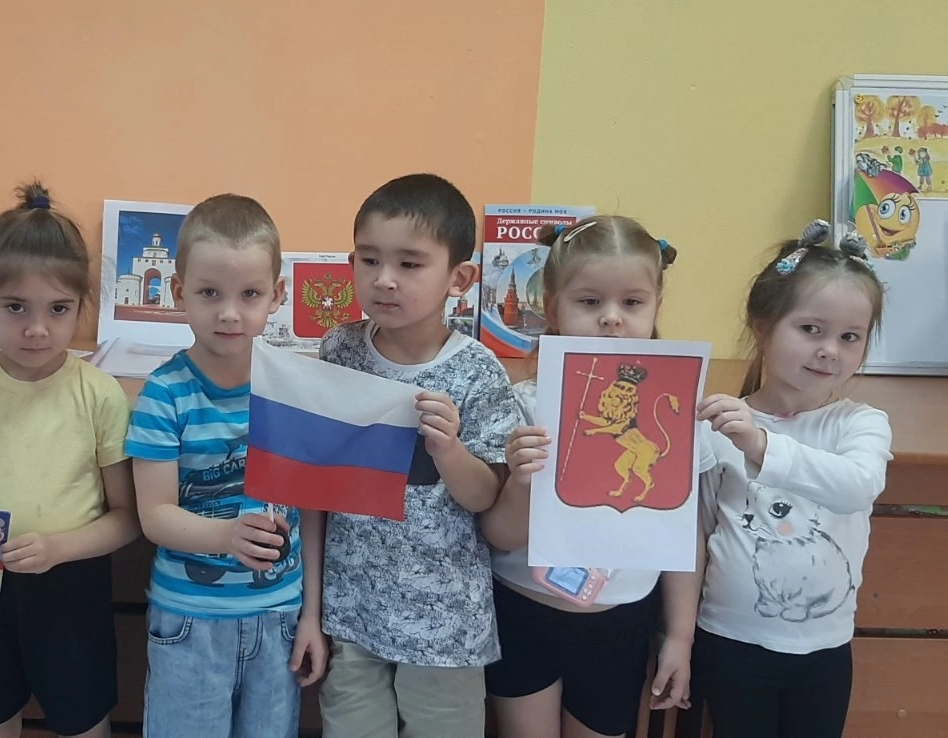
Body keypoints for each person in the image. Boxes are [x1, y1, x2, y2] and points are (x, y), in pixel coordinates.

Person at [0, 182, 139, 738]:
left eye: (58, 309)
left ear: (81, 305)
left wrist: (59, 548)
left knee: (83, 723)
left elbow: (128, 518)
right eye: (16, 307)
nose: (37, 329)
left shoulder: (100, 394)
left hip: (73, 590)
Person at [314, 173, 521, 737]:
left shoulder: (477, 371)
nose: (384, 279)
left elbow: (485, 497)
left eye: (409, 264)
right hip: (352, 607)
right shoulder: (338, 350)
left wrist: (448, 450)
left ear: (459, 278)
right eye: (369, 260)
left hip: (446, 621)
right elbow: (319, 479)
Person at [482, 216, 704, 738]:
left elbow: (683, 534)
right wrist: (522, 481)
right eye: (589, 301)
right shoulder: (522, 406)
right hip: (522, 609)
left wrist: (680, 636)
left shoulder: (682, 414)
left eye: (632, 302)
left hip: (618, 621)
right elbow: (499, 535)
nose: (611, 318)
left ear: (656, 305)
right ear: (552, 305)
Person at [127, 194, 328, 737]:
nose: (230, 313)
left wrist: (311, 614)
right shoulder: (164, 394)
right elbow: (155, 515)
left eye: (250, 294)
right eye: (210, 293)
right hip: (190, 621)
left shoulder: (293, 390)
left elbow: (312, 507)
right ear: (179, 293)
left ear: (277, 296)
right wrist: (227, 536)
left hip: (281, 616)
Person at [692, 220, 892, 738]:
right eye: (811, 330)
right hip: (729, 639)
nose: (830, 350)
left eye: (850, 337)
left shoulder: (860, 423)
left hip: (823, 648)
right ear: (762, 327)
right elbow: (703, 531)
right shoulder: (721, 425)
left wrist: (762, 445)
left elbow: (857, 486)